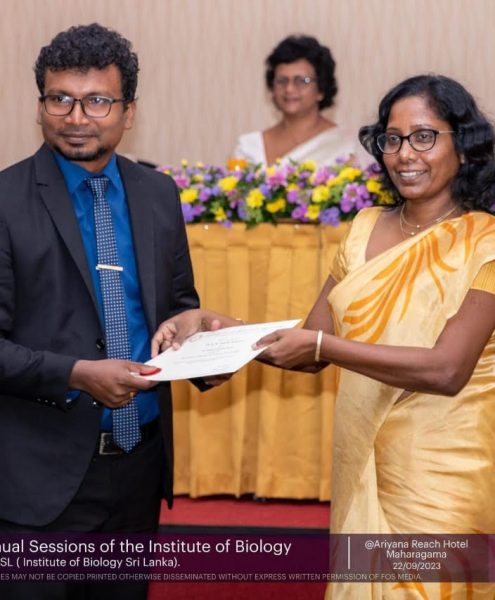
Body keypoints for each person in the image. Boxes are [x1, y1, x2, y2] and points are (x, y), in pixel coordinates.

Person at [154, 75, 495, 599]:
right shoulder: (364, 228)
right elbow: (309, 344)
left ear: (464, 146)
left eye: (425, 136)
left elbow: (448, 369)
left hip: (445, 471)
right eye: (393, 138)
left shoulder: (486, 240)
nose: (406, 154)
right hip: (359, 460)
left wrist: (321, 347)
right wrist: (214, 327)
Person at [0, 23, 210, 600]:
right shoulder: (6, 201)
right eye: (59, 99)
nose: (76, 117)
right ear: (39, 106)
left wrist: (202, 338)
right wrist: (76, 374)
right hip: (37, 479)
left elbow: (179, 307)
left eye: (97, 101)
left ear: (128, 111)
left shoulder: (157, 194)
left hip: (138, 470)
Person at [232, 34, 363, 167]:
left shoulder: (346, 146)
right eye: (282, 81)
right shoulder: (250, 147)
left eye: (301, 81)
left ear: (321, 90)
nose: (289, 89)